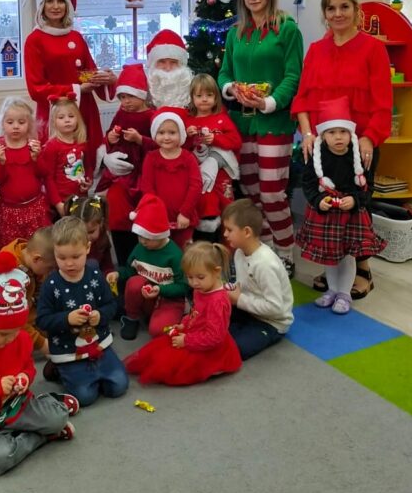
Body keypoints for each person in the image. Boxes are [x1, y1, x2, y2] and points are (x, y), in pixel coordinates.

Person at [291, 0, 392, 298]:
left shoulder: (373, 49)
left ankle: (362, 268)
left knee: (356, 205)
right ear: (324, 13)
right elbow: (302, 98)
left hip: (359, 145)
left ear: (355, 10)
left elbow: (383, 103)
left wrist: (370, 138)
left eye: (344, 7)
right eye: (331, 8)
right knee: (328, 205)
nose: (338, 14)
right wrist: (307, 133)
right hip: (323, 146)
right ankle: (335, 266)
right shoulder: (316, 51)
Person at [0, 252, 78, 476]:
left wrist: (25, 378)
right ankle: (43, 435)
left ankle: (48, 411)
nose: (9, 339)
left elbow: (29, 368)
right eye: (3, 334)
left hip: (20, 407)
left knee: (59, 418)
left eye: (15, 332)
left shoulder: (22, 339)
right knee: (0, 459)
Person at [218, 0, 303, 277]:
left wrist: (270, 102)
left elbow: (294, 75)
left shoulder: (287, 29)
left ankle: (285, 252)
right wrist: (232, 89)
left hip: (274, 123)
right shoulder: (235, 33)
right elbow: (224, 73)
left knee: (271, 193)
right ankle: (264, 252)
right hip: (242, 125)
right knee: (251, 193)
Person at [296, 98, 386, 315]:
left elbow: (368, 187)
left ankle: (344, 293)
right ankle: (333, 290)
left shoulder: (358, 156)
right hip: (326, 215)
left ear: (350, 133)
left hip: (350, 216)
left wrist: (355, 200)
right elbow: (308, 184)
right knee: (330, 256)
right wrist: (318, 200)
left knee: (347, 256)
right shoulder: (316, 156)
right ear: (323, 135)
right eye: (332, 132)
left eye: (343, 132)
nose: (338, 137)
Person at [36, 216, 129, 407]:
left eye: (75, 257)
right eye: (62, 258)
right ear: (54, 252)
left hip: (99, 345)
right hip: (68, 350)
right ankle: (58, 369)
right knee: (85, 397)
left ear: (87, 248)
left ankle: (89, 372)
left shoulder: (94, 274)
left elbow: (111, 305)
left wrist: (100, 316)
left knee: (118, 386)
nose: (69, 264)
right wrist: (66, 319)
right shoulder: (50, 285)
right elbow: (42, 320)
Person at [24, 0, 115, 168]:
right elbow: (36, 88)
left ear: (68, 6)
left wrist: (104, 78)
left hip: (85, 109)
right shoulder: (35, 40)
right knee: (60, 167)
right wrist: (77, 89)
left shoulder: (76, 36)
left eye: (61, 1)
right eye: (50, 1)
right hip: (55, 111)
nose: (55, 6)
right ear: (42, 6)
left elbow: (86, 73)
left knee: (87, 163)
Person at [124, 241, 242, 386]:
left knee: (171, 366)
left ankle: (215, 367)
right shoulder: (201, 288)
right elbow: (195, 312)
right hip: (194, 332)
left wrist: (187, 340)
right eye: (190, 277)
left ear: (217, 272)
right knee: (160, 350)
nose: (194, 283)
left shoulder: (218, 301)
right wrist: (184, 324)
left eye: (200, 277)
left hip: (209, 346)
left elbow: (214, 337)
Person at [95, 62, 154, 264]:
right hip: (120, 173)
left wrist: (140, 140)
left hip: (142, 172)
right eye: (121, 97)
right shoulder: (121, 113)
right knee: (117, 209)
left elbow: (158, 145)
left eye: (130, 96)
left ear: (142, 95)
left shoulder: (150, 116)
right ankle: (122, 259)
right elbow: (111, 134)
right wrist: (110, 138)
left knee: (141, 212)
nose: (125, 102)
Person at [108, 193, 188, 342]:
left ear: (160, 234)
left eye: (148, 238)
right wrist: (118, 274)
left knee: (157, 331)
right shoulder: (139, 248)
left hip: (169, 299)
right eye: (140, 236)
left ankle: (165, 317)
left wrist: (160, 289)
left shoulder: (175, 255)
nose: (143, 242)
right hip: (146, 297)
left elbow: (184, 287)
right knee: (134, 282)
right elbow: (130, 271)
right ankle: (131, 318)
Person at [222, 199, 293, 359]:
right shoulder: (240, 252)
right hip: (248, 310)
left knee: (236, 348)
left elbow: (275, 308)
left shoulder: (264, 263)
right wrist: (229, 291)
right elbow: (244, 285)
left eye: (229, 230)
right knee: (212, 322)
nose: (225, 234)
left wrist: (239, 300)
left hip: (271, 322)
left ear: (247, 232)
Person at [0, 226, 55, 354]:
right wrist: (41, 344)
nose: (50, 272)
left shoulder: (27, 254)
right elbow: (12, 319)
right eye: (50, 268)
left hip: (24, 309)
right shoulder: (8, 275)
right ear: (37, 259)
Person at [0, 97, 51, 252]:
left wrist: (36, 158)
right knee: (13, 250)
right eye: (10, 122)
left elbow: (44, 173)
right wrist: (1, 162)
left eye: (21, 122)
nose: (15, 126)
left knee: (37, 248)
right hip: (9, 211)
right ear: (2, 124)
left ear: (29, 124)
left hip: (35, 208)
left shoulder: (33, 146)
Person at [185, 73, 242, 240]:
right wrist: (187, 136)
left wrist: (216, 139)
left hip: (222, 176)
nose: (204, 99)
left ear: (216, 97)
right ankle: (205, 246)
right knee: (204, 207)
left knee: (228, 209)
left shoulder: (222, 119)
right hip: (199, 176)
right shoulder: (189, 121)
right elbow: (182, 149)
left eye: (209, 95)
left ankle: (229, 246)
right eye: (199, 95)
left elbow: (236, 142)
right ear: (192, 97)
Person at [138, 110, 202, 249]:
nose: (166, 137)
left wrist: (185, 213)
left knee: (183, 251)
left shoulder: (188, 158)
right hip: (158, 218)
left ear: (181, 134)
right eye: (161, 133)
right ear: (155, 134)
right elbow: (147, 188)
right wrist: (156, 212)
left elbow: (196, 186)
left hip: (184, 218)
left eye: (172, 133)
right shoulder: (151, 158)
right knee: (161, 251)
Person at [38, 95, 93, 216]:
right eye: (61, 117)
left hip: (81, 199)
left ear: (78, 119)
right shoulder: (52, 146)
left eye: (71, 116)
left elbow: (87, 167)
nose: (67, 120)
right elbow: (48, 179)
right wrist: (58, 204)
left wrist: (89, 181)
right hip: (62, 202)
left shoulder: (82, 143)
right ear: (54, 122)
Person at [64, 195, 114, 276]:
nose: (86, 237)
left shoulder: (102, 240)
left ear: (101, 223)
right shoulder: (66, 243)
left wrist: (110, 274)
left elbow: (107, 266)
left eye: (91, 232)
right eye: (81, 232)